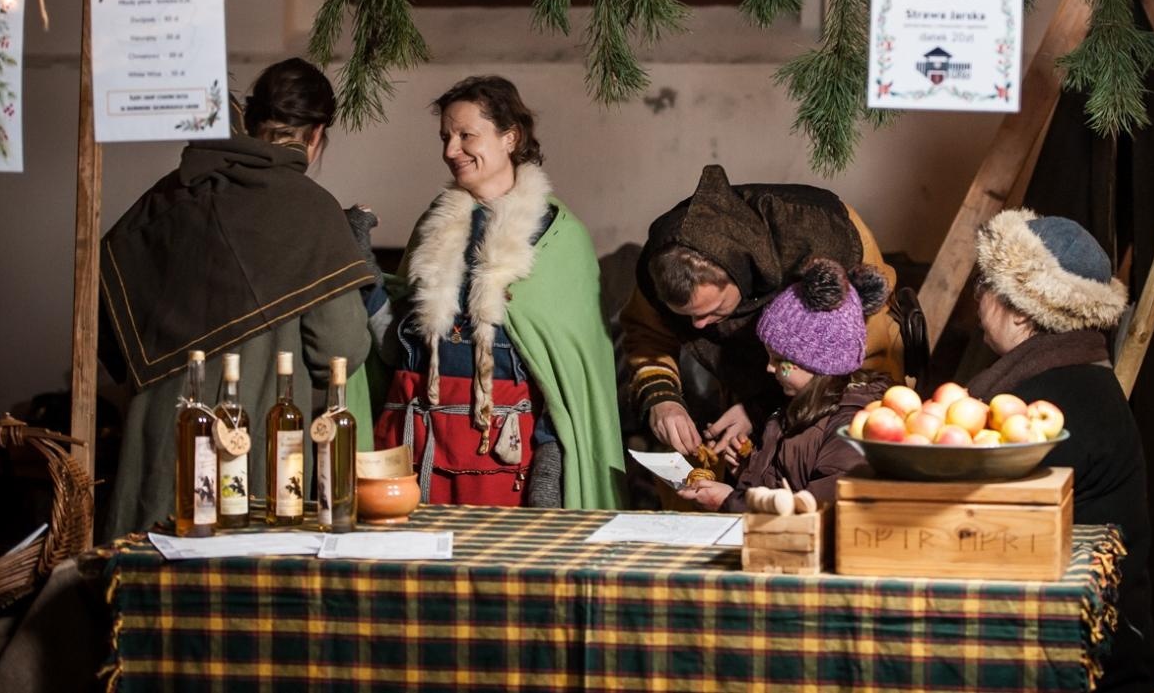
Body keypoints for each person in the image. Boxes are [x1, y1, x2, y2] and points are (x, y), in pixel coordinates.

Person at [99, 58, 375, 538]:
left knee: (149, 586)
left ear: (251, 121)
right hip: (248, 446)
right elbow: (340, 347)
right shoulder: (311, 210)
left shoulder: (171, 193)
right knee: (234, 589)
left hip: (158, 440)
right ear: (315, 135)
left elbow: (107, 315)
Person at [368, 76, 625, 508]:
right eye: (446, 137)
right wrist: (364, 275)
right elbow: (399, 343)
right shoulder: (435, 225)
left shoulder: (557, 238)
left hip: (502, 456)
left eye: (466, 135)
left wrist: (551, 457)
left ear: (510, 137)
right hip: (414, 445)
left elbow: (569, 370)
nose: (451, 151)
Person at [968, 208, 1154, 693]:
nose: (978, 295)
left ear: (1019, 309)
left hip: (1087, 666)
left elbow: (984, 533)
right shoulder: (1078, 379)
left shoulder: (1047, 407)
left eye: (988, 283)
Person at [621, 165, 901, 462]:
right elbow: (647, 335)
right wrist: (663, 400)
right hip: (746, 391)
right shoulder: (661, 265)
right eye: (686, 315)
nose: (698, 325)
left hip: (840, 408)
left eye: (713, 310)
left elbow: (865, 363)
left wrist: (767, 411)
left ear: (741, 275)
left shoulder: (831, 235)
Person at [679, 258, 891, 513]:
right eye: (770, 357)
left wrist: (730, 501)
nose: (770, 368)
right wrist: (751, 470)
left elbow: (816, 510)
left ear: (819, 363)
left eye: (781, 361)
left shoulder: (850, 426)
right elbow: (788, 483)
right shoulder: (799, 406)